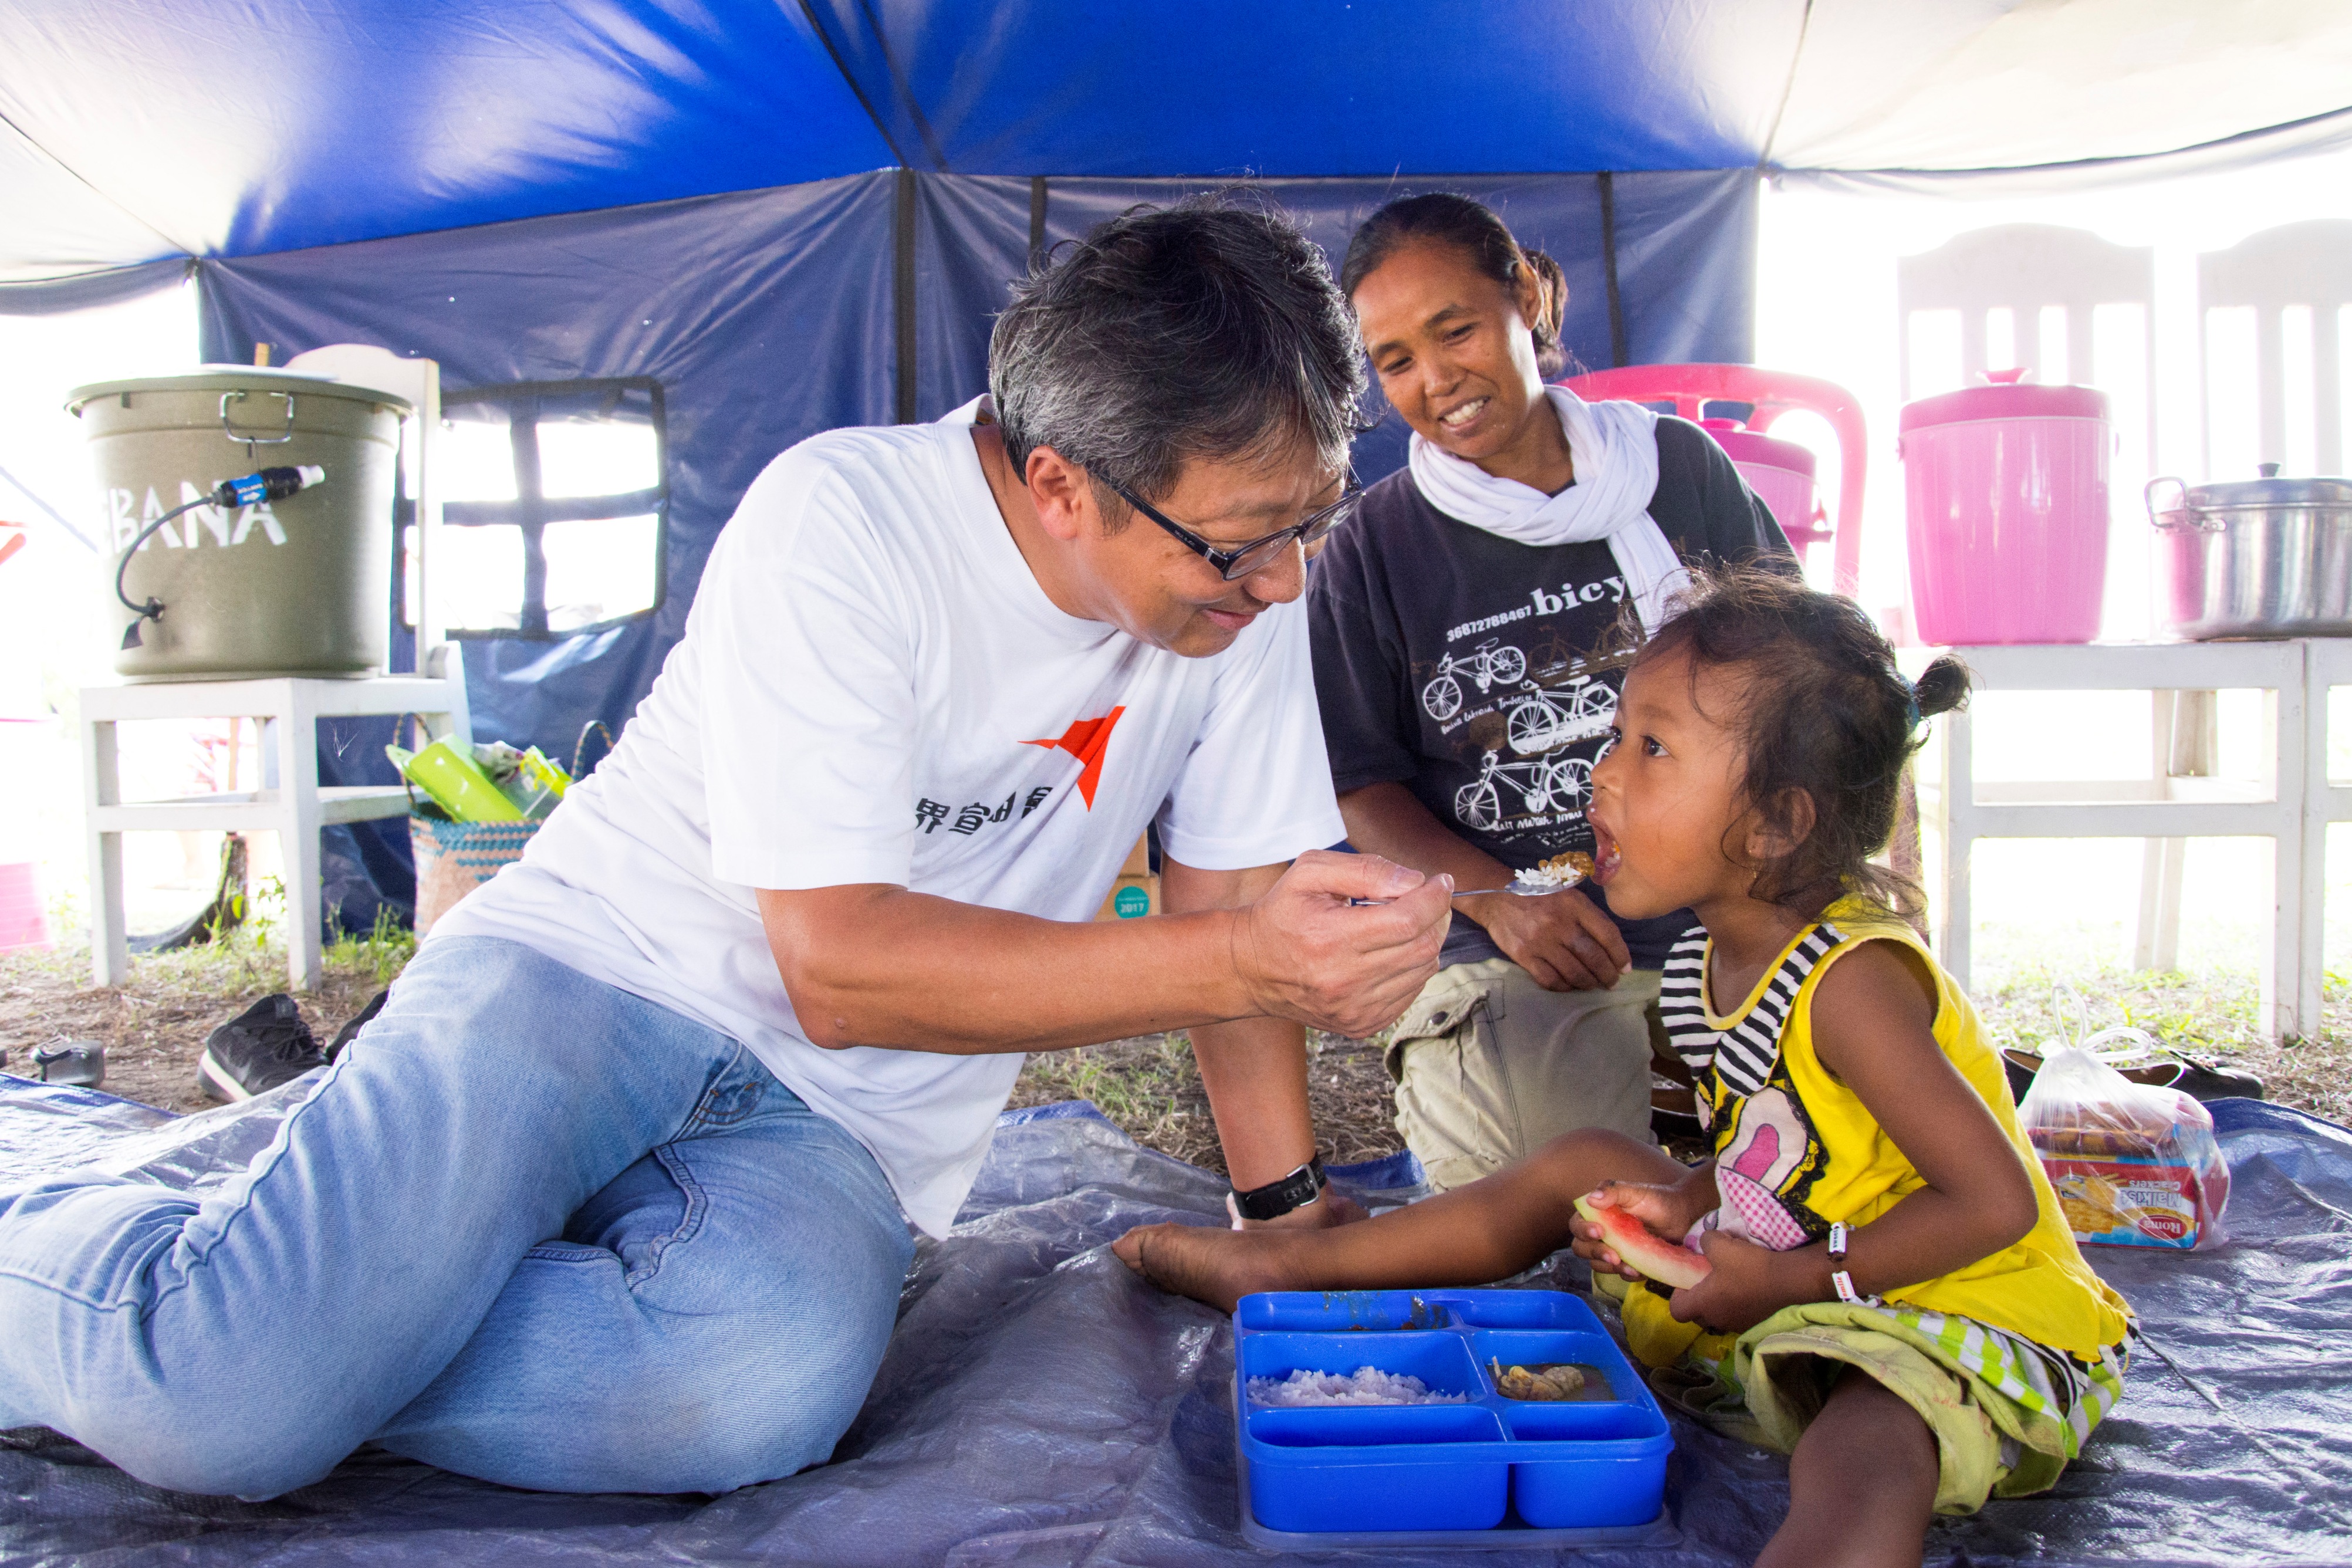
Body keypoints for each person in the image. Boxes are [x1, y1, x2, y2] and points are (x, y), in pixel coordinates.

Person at [0, 198, 1454, 1499]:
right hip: (588, 980)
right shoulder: (851, 520)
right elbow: (844, 967)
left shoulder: (1242, 599)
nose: (1286, 580)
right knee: (219, 1410)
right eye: (1241, 543)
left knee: (749, 1388)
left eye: (1313, 522)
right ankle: (170, 1297)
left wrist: (1283, 1212)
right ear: (1063, 482)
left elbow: (1229, 898)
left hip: (840, 1127)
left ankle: (306, 1313)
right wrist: (1246, 957)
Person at [1117, 569, 2133, 1567]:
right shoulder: (1711, 957)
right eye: (1617, 739)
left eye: (1652, 749)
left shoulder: (1854, 985)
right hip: (1813, 1254)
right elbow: (1789, 1144)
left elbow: (1995, 1204)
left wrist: (1792, 1277)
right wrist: (1688, 1202)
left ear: (1777, 822)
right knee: (1586, 1161)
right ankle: (1295, 1267)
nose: (1602, 774)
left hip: (1952, 1303)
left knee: (1868, 1438)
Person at [1309, 192, 1794, 1192]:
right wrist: (1497, 901)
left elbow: (1797, 681)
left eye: (1456, 331)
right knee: (1547, 1203)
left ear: (1524, 299)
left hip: (1726, 912)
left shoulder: (1678, 471)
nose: (1436, 381)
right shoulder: (1375, 546)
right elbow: (1360, 782)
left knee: (1853, 1160)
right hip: (1517, 943)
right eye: (1396, 361)